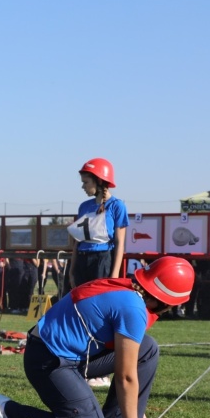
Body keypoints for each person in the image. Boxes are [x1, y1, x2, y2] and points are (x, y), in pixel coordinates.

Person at [0, 256, 195, 418]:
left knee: (147, 348)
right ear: (167, 302)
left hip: (66, 356)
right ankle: (6, 413)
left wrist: (134, 412)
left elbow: (128, 363)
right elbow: (126, 377)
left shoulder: (127, 290)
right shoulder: (133, 308)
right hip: (48, 361)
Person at [67, 157, 129, 388]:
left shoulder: (117, 206)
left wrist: (113, 275)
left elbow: (120, 243)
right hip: (82, 260)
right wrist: (72, 271)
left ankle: (101, 370)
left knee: (100, 315)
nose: (83, 186)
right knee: (79, 311)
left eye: (86, 182)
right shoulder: (84, 207)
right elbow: (76, 242)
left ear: (99, 181)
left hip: (103, 260)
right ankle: (80, 364)